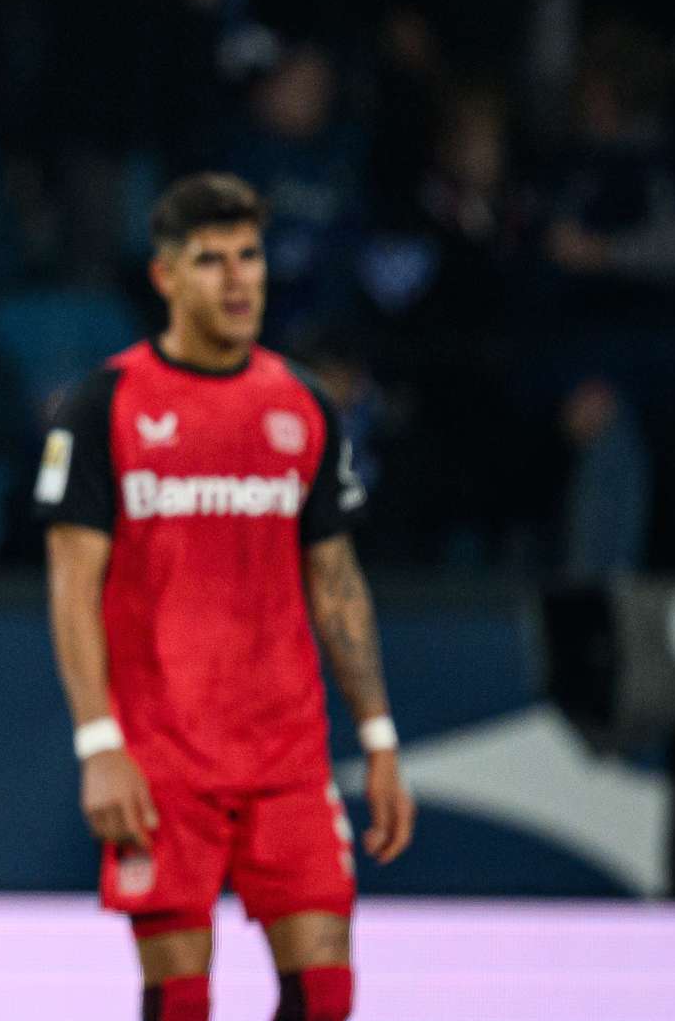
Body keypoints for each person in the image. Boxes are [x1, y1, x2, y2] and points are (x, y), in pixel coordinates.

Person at [34, 174, 415, 1021]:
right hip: (164, 760)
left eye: (250, 256)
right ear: (165, 277)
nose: (239, 279)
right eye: (212, 261)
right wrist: (99, 742)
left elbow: (336, 581)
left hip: (286, 755)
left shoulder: (302, 405)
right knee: (181, 1002)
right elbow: (72, 584)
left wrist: (379, 734)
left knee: (325, 994)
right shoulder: (104, 407)